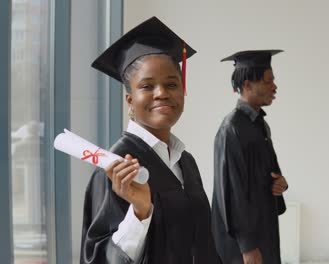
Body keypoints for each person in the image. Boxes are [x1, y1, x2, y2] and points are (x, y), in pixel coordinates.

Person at [80, 17, 220, 264]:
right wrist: (140, 213)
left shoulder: (185, 162)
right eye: (147, 86)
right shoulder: (117, 166)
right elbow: (98, 258)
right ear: (130, 101)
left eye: (171, 84)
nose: (162, 93)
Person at [211, 50, 289, 264]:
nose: (274, 87)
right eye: (268, 81)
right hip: (243, 243)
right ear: (247, 85)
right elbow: (230, 191)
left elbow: (270, 173)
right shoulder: (231, 129)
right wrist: (247, 246)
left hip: (263, 227)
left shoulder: (259, 125)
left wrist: (280, 183)